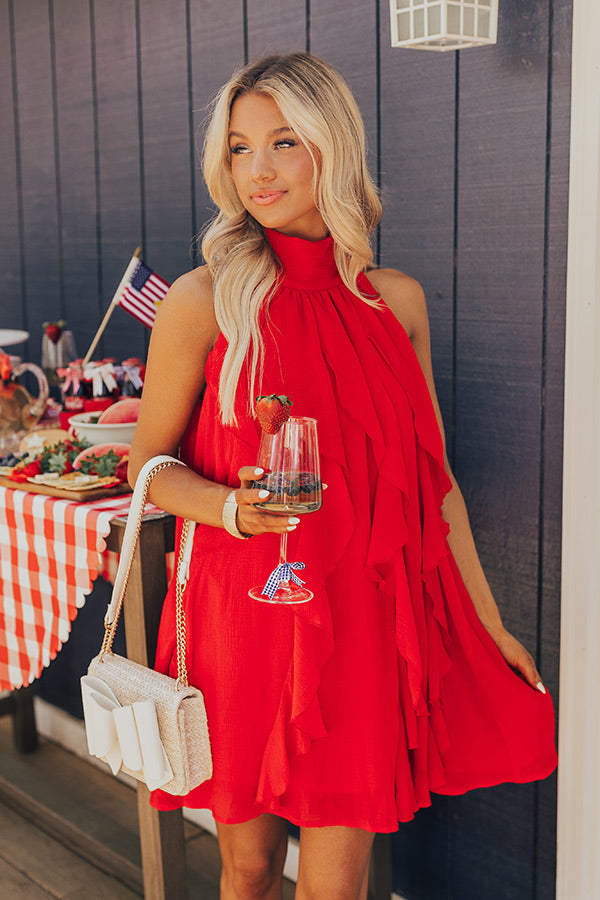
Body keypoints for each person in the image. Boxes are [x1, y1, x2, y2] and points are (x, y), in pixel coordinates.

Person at [129, 52, 557, 900]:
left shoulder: (394, 302)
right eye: (241, 148)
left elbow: (436, 486)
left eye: (283, 142)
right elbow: (148, 467)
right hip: (242, 613)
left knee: (338, 881)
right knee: (246, 866)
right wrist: (230, 509)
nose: (258, 169)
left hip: (360, 618)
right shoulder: (204, 298)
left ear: (333, 148)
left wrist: (487, 620)